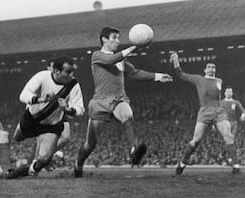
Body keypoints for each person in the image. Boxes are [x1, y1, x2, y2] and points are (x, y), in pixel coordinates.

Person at [74, 26, 173, 177]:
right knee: (90, 144)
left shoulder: (121, 59)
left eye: (118, 38)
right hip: (100, 101)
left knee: (127, 116)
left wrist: (158, 76)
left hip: (119, 98)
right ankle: (78, 163)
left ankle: (135, 148)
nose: (118, 41)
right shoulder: (97, 55)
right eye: (114, 37)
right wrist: (135, 46)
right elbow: (112, 59)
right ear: (104, 39)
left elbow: (134, 73)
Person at [7, 56, 84, 178]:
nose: (71, 75)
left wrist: (67, 109)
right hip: (32, 119)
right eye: (68, 72)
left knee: (43, 159)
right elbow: (23, 95)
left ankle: (28, 170)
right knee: (17, 137)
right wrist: (41, 99)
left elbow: (80, 109)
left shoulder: (73, 85)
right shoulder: (42, 77)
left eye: (72, 71)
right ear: (56, 71)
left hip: (51, 126)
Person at [170, 52, 240, 175]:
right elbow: (181, 74)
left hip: (218, 111)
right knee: (196, 140)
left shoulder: (219, 81)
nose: (211, 69)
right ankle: (182, 163)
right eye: (209, 67)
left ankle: (236, 165)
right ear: (205, 70)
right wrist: (176, 61)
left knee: (228, 135)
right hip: (204, 111)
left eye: (213, 67)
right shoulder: (199, 79)